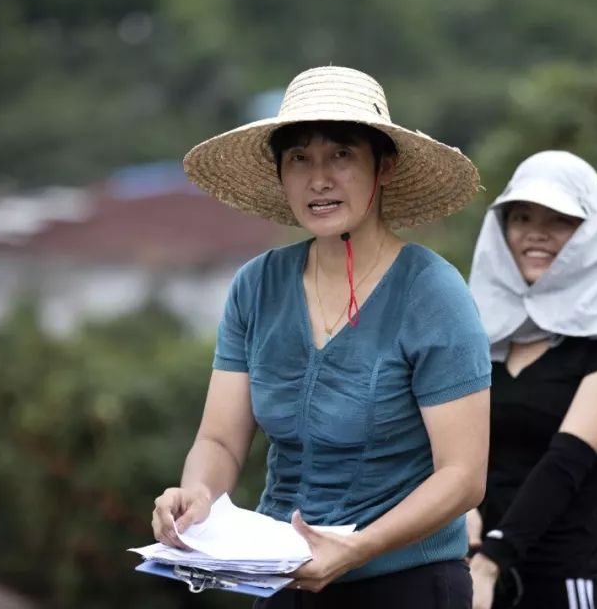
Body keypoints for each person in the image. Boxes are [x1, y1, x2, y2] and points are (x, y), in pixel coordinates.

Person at [152, 66, 492, 607]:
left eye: (341, 156)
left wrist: (359, 548)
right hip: (283, 578)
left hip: (405, 585)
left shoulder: (433, 293)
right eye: (299, 159)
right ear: (280, 174)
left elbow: (464, 476)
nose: (319, 179)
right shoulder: (256, 286)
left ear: (383, 166)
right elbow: (219, 440)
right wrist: (196, 494)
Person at [465, 151, 597, 609]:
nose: (536, 233)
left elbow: (565, 463)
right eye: (522, 216)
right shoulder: (473, 338)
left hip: (569, 584)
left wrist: (491, 560)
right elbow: (453, 453)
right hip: (477, 583)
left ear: (589, 235)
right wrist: (467, 541)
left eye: (560, 220)